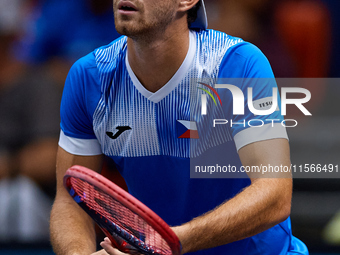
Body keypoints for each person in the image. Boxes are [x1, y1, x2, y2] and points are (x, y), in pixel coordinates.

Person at [50, 0, 308, 254]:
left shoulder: (237, 64)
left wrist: (171, 241)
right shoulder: (89, 77)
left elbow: (275, 193)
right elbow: (69, 200)